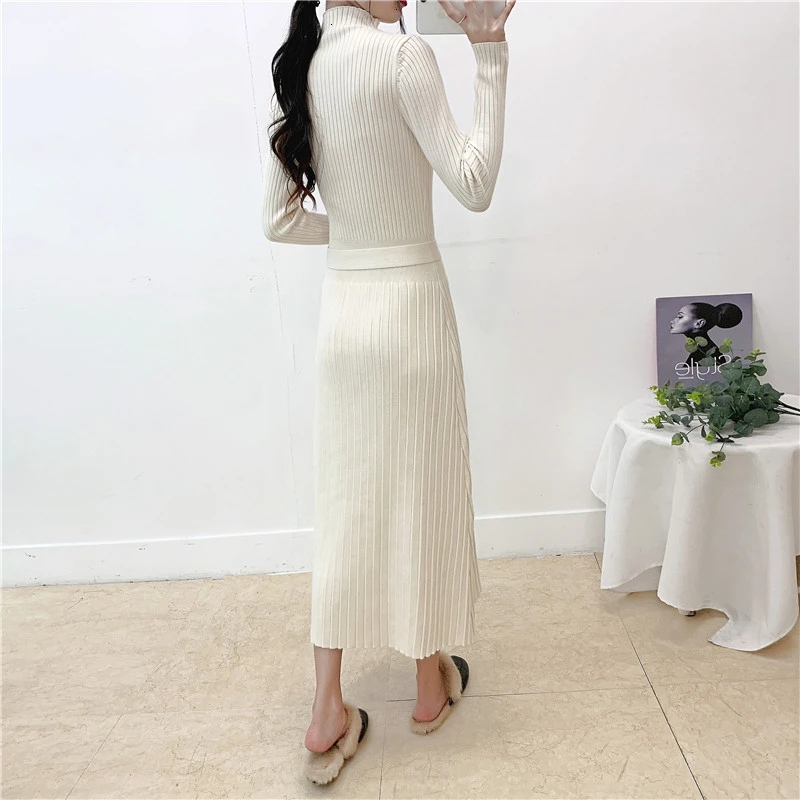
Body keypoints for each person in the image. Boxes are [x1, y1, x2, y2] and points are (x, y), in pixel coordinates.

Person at [264, 0, 514, 784]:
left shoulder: (303, 65)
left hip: (345, 318)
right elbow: (473, 182)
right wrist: (490, 53)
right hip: (411, 313)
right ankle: (428, 686)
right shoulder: (402, 56)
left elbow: (278, 220)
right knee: (422, 492)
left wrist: (353, 232)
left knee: (347, 506)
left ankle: (327, 708)